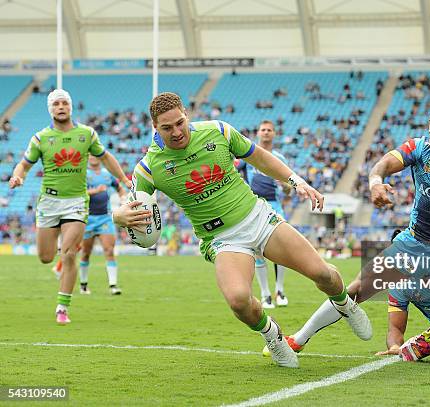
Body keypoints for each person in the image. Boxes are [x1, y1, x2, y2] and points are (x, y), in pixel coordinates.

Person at [111, 92, 371, 368]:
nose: (176, 132)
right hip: (222, 239)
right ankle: (273, 337)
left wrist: (297, 182)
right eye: (167, 128)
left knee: (322, 273)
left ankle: (345, 304)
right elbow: (136, 208)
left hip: (257, 218)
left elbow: (260, 158)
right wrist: (119, 216)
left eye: (180, 123)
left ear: (186, 114)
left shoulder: (218, 131)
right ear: (155, 127)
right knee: (238, 300)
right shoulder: (149, 167)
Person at [278, 105, 430, 361]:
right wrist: (375, 184)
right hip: (412, 241)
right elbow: (381, 165)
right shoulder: (420, 148)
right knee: (356, 288)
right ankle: (298, 339)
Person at [9, 89, 130, 325]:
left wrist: (124, 179)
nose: (61, 107)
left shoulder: (87, 134)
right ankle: (59, 267)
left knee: (70, 252)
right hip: (49, 203)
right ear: (50, 109)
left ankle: (62, 307)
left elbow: (106, 158)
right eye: (56, 104)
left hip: (76, 202)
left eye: (65, 103)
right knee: (45, 257)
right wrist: (18, 177)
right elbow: (23, 165)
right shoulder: (40, 138)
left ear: (70, 107)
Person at [248, 120, 292, 308]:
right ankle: (265, 294)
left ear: (274, 134)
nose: (266, 133)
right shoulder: (247, 155)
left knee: (281, 248)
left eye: (269, 130)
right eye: (263, 129)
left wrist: (284, 185)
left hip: (275, 206)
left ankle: (280, 290)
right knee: (257, 250)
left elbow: (290, 189)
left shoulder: (279, 158)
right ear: (258, 133)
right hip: (254, 207)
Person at [79, 155, 126, 295]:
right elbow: (78, 193)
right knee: (86, 253)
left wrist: (123, 198)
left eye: (95, 155)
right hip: (88, 218)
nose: (93, 157)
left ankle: (113, 286)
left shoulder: (107, 175)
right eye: (90, 155)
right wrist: (95, 191)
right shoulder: (83, 174)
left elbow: (119, 188)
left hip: (104, 218)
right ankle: (83, 285)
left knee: (109, 250)